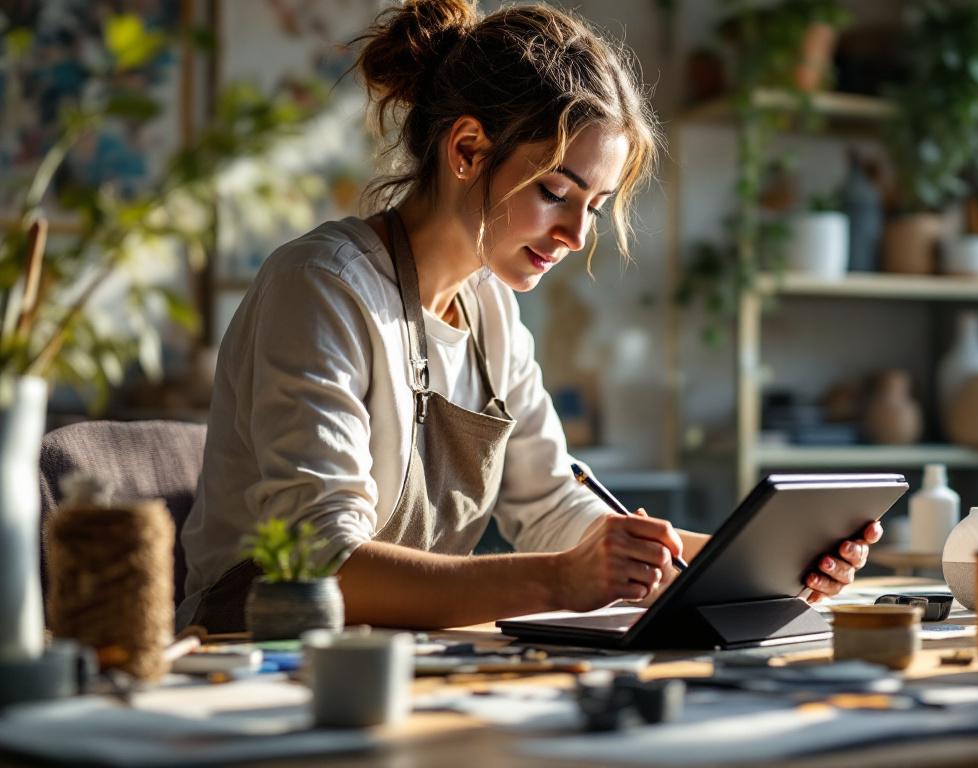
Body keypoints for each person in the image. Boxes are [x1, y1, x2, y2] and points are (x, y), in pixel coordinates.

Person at [177, 0, 882, 633]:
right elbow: (320, 567)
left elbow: (553, 510)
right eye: (555, 191)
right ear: (466, 150)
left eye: (594, 207)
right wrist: (559, 580)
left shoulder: (492, 312)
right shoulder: (324, 287)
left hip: (401, 655)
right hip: (250, 657)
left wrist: (766, 563)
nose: (577, 235)